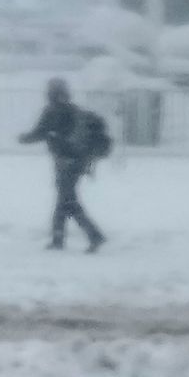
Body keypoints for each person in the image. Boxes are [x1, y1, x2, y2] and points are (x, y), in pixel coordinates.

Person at [26, 74, 118, 248]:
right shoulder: (73, 110)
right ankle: (59, 239)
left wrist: (23, 138)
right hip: (79, 161)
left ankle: (93, 235)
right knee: (64, 199)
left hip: (65, 162)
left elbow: (39, 133)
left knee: (68, 201)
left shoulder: (52, 111)